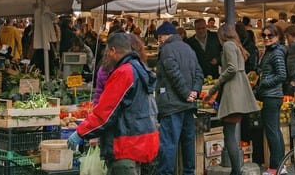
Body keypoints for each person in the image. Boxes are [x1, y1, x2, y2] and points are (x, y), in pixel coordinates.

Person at [67, 32, 159, 174]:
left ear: (113, 50)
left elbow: (105, 113)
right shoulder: (140, 68)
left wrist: (81, 133)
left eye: (108, 51)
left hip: (126, 146)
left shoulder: (124, 72)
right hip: (143, 143)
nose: (107, 56)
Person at [204, 24, 260, 175]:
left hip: (233, 92)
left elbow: (231, 68)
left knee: (228, 134)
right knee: (230, 132)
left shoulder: (228, 45)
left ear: (221, 35)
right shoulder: (236, 45)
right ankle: (236, 170)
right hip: (240, 91)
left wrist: (215, 86)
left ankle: (236, 171)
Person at [154, 21, 203, 175]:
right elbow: (199, 73)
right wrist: (194, 91)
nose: (159, 40)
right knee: (188, 142)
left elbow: (173, 74)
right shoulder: (188, 48)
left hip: (172, 104)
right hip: (188, 105)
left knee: (168, 143)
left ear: (165, 36)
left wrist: (186, 93)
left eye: (160, 37)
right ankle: (189, 172)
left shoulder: (167, 49)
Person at [256, 24, 286, 175]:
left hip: (272, 95)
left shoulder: (276, 53)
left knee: (272, 132)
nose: (266, 38)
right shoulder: (270, 51)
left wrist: (264, 82)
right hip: (271, 95)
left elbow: (282, 75)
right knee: (275, 131)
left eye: (270, 36)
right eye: (264, 35)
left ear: (278, 37)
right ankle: (281, 165)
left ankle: (275, 167)